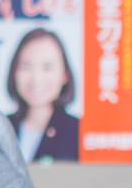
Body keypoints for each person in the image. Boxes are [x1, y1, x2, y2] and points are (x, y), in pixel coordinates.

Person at [5, 28, 79, 162]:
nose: (36, 79)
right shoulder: (1, 127)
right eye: (26, 67)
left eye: (48, 68)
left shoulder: (78, 133)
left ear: (65, 75)